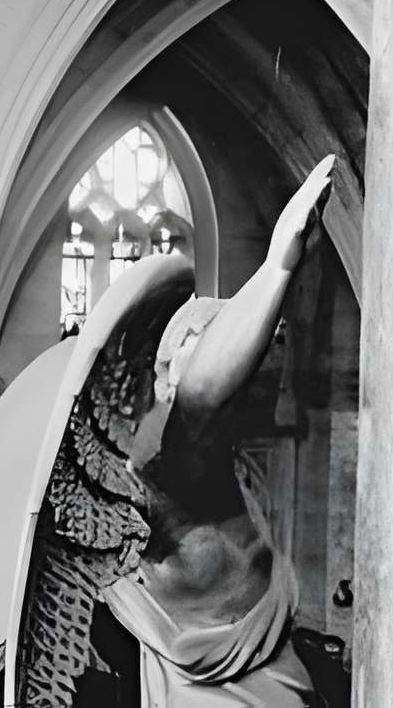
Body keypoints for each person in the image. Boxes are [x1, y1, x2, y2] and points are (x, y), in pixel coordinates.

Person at [103, 156, 335, 708]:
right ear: (165, 374)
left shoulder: (234, 467)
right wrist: (278, 266)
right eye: (207, 336)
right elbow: (201, 396)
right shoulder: (169, 461)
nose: (258, 353)